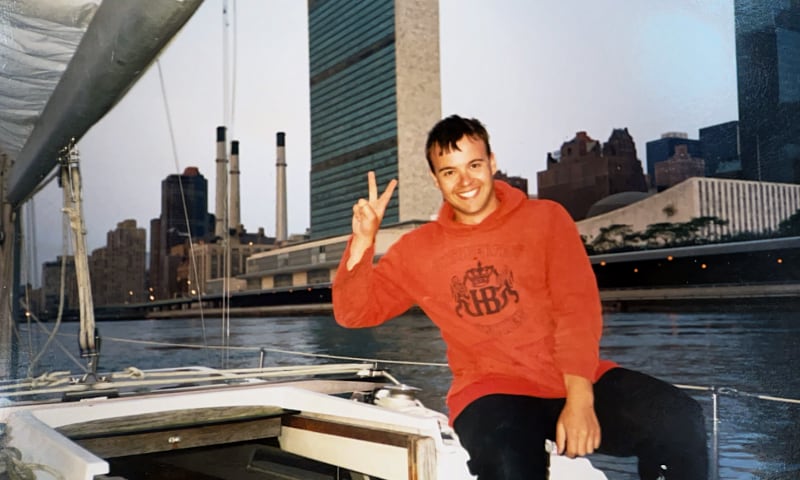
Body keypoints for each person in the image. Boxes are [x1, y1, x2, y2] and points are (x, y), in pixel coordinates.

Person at [332, 114, 708, 480]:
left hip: (570, 378)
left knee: (678, 419)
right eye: (450, 172)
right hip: (489, 390)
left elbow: (576, 310)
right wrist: (362, 244)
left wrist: (580, 400)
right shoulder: (418, 250)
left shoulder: (546, 218)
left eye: (474, 165)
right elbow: (354, 313)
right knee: (510, 466)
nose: (465, 181)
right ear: (436, 179)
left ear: (492, 162)